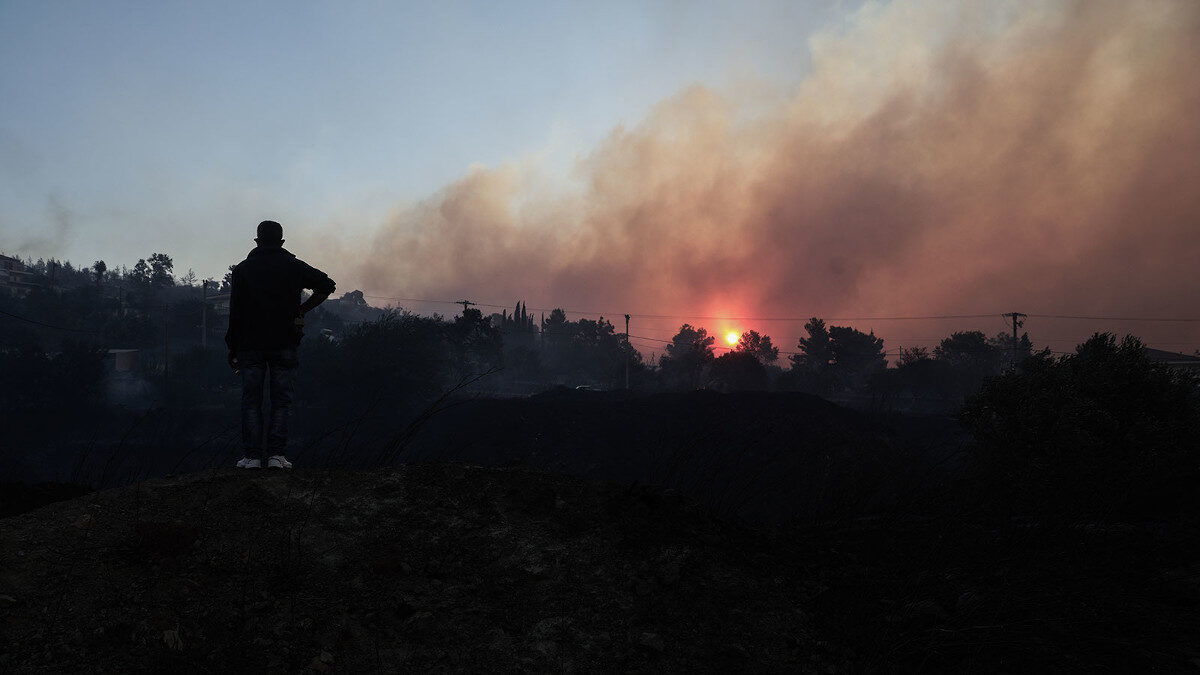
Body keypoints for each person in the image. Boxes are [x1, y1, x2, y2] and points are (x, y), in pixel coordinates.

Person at [226, 220, 335, 469]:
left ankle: (252, 457)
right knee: (281, 400)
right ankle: (276, 456)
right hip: (284, 341)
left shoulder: (243, 270)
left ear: (257, 241)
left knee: (251, 400)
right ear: (282, 242)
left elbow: (236, 312)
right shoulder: (293, 266)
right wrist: (302, 310)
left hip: (249, 344)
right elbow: (327, 286)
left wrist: (232, 346)